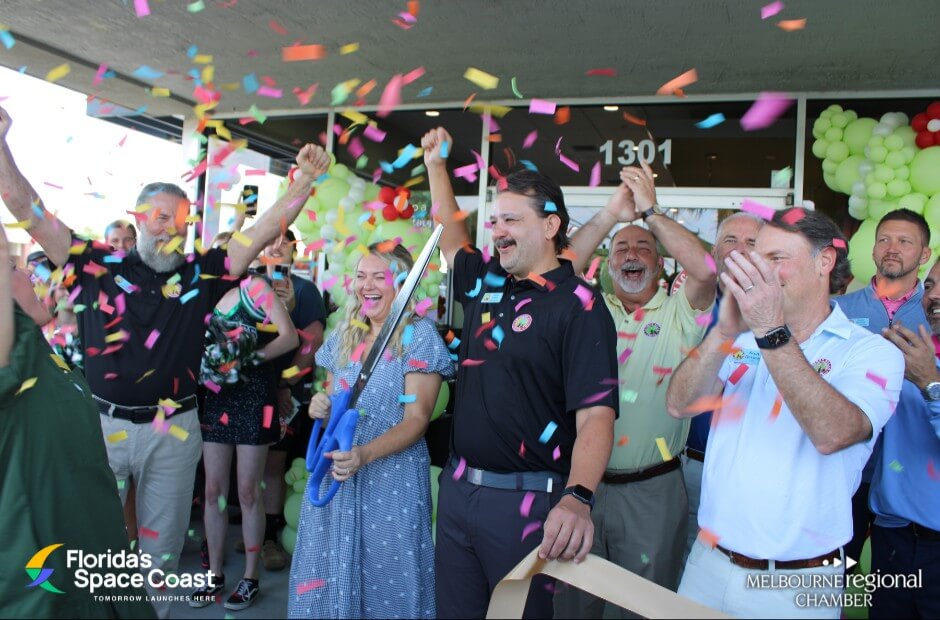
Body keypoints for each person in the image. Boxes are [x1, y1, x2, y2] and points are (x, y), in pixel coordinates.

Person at [0, 104, 331, 619]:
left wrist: (302, 182)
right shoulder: (95, 262)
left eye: (180, 220)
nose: (170, 228)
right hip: (104, 425)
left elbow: (263, 232)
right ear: (137, 218)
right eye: (160, 217)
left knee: (160, 553)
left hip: (174, 429)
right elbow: (27, 205)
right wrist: (0, 143)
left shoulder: (204, 272)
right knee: (90, 545)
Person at [666, 207, 904, 619]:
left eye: (776, 259)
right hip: (707, 563)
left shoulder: (871, 351)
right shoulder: (741, 336)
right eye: (760, 258)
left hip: (795, 582)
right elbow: (679, 404)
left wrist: (771, 330)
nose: (761, 270)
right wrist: (724, 331)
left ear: (824, 261)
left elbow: (833, 434)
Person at [423, 126, 619, 619]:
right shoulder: (489, 282)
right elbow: (450, 237)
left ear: (551, 226)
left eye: (511, 218)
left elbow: (596, 416)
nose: (498, 230)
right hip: (458, 493)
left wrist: (578, 498)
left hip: (529, 505)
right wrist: (436, 167)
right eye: (494, 220)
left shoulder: (580, 306)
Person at [553, 162, 715, 617]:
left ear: (661, 265)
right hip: (581, 488)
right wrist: (610, 216)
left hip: (653, 492)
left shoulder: (681, 311)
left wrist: (650, 212)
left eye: (643, 248)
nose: (632, 253)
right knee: (574, 607)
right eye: (621, 247)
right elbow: (558, 269)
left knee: (641, 610)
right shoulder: (587, 308)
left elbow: (705, 270)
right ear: (607, 264)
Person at [288, 242, 455, 619]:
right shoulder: (344, 337)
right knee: (328, 582)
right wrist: (321, 407)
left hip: (391, 482)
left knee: (391, 584)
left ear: (401, 283)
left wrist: (364, 454)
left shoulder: (421, 337)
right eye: (361, 276)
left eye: (379, 276)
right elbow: (334, 404)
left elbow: (417, 421)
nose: (368, 285)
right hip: (338, 480)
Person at [0, 224, 154, 619]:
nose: (30, 274)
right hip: (49, 579)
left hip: (100, 557)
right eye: (13, 267)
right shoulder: (10, 367)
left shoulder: (43, 351)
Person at [189, 268, 298, 610]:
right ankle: (215, 574)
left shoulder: (256, 286)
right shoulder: (207, 290)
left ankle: (250, 578)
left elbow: (289, 337)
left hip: (253, 397)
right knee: (212, 491)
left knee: (249, 491)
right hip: (217, 398)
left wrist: (246, 359)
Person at [835, 208, 932, 563]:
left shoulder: (933, 312)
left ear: (924, 255)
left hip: (910, 478)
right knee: (831, 571)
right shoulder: (837, 310)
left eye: (905, 241)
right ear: (873, 250)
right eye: (884, 240)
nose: (892, 248)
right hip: (849, 471)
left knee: (899, 583)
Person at [681, 211, 763, 560]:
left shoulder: (781, 313)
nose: (741, 250)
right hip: (691, 468)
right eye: (731, 240)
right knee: (685, 569)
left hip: (751, 473)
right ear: (714, 252)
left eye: (752, 243)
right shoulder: (687, 306)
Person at [870, 259, 940, 618]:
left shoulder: (923, 368)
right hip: (893, 539)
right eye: (929, 286)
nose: (934, 296)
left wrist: (931, 385)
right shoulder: (908, 354)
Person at [258, 230, 326, 571]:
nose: (275, 246)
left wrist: (284, 385)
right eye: (270, 240)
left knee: (272, 466)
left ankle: (270, 538)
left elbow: (311, 347)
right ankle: (256, 534)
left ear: (295, 249)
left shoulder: (305, 290)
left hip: (284, 396)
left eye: (284, 242)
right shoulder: (248, 285)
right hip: (246, 394)